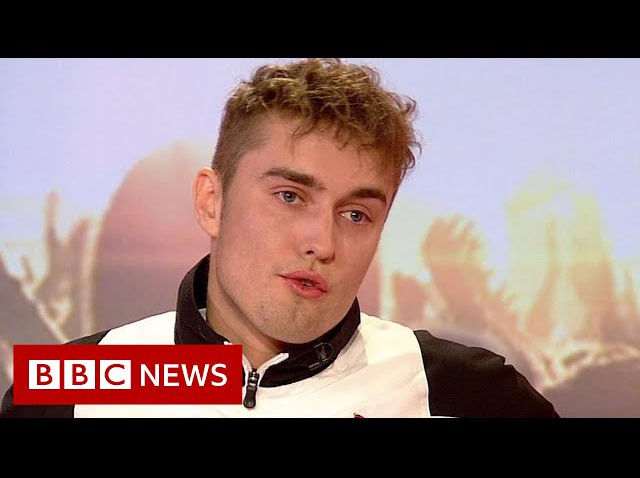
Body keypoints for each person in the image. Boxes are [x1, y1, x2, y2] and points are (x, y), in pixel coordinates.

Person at [0, 58, 559, 418]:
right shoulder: (64, 387)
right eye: (290, 197)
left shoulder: (471, 396)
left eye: (356, 214)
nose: (322, 243)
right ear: (211, 202)